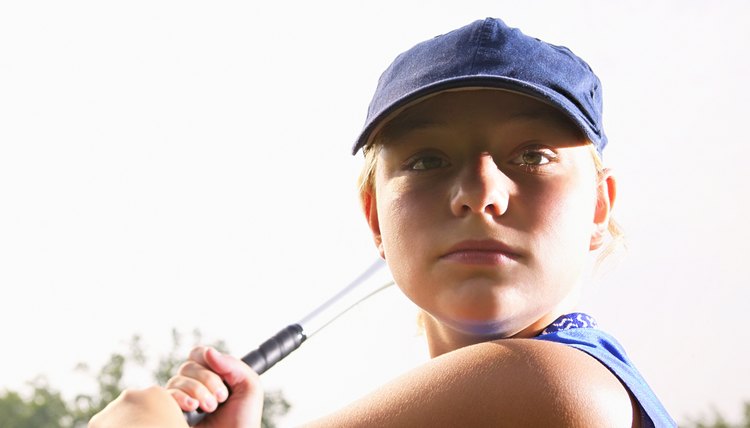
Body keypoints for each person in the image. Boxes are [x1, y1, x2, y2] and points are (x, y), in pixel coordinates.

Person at [89, 17, 676, 427]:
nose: (479, 195)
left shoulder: (557, 386)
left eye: (531, 156)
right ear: (375, 215)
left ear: (600, 208)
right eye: (427, 160)